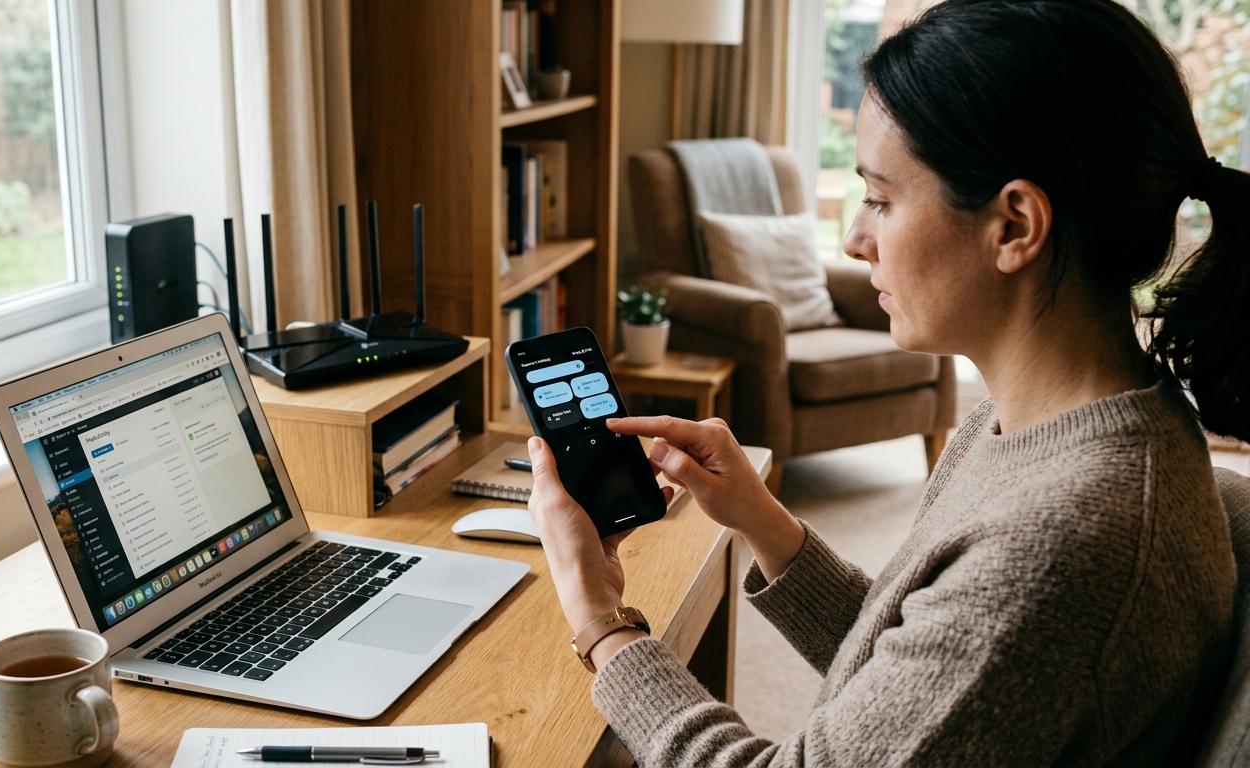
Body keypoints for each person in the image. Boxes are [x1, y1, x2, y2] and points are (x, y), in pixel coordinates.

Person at [525, 0, 1250, 764]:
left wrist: (600, 618)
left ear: (1014, 226)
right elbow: (930, 681)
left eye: (880, 199)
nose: (854, 239)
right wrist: (763, 521)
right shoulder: (1043, 425)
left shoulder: (1063, 543)